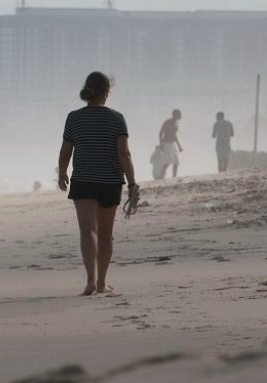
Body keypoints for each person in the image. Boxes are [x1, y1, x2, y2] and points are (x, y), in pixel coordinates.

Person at [58, 71, 139, 297]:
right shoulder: (117, 118)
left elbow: (66, 150)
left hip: (83, 180)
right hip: (109, 182)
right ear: (106, 92)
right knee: (105, 233)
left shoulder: (74, 117)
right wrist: (132, 183)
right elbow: (124, 153)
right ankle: (102, 282)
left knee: (87, 231)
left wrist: (62, 173)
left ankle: (90, 281)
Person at [158, 109, 183, 178]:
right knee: (167, 162)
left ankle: (174, 177)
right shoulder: (167, 122)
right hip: (166, 144)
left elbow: (174, 135)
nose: (180, 115)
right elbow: (160, 133)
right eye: (179, 114)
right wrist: (161, 144)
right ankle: (160, 177)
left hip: (172, 144)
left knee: (176, 161)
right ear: (175, 115)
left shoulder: (176, 124)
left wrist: (179, 146)